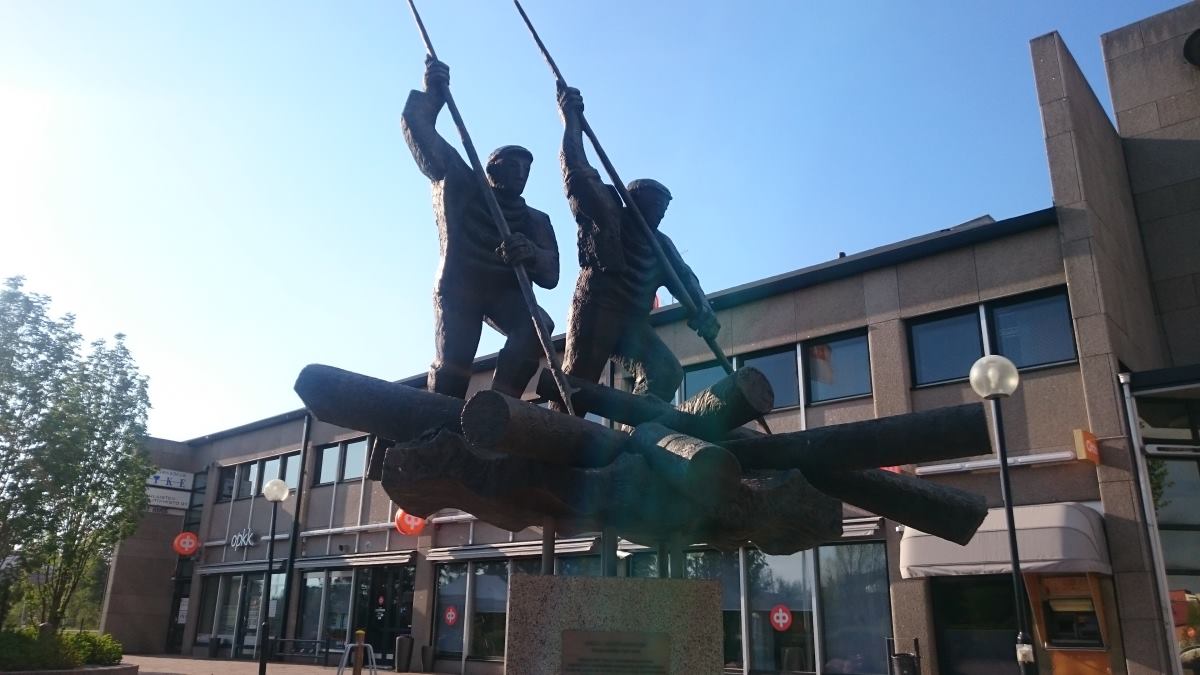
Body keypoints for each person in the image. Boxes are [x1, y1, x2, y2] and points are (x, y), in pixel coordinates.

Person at [401, 58, 559, 399]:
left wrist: (530, 253)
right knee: (454, 367)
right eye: (512, 166)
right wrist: (432, 96)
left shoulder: (536, 219)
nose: (521, 173)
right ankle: (438, 418)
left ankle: (498, 404)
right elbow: (419, 129)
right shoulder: (464, 183)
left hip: (504, 293)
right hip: (461, 286)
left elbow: (550, 275)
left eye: (526, 169)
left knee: (538, 327)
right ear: (493, 170)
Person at [556, 86, 718, 403]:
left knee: (666, 373)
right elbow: (577, 172)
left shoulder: (661, 245)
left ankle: (638, 427)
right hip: (597, 309)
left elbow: (686, 279)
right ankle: (552, 431)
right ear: (635, 200)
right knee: (577, 383)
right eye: (655, 204)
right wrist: (571, 121)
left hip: (632, 323)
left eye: (664, 208)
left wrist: (703, 310)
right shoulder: (609, 214)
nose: (660, 212)